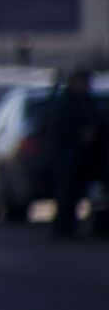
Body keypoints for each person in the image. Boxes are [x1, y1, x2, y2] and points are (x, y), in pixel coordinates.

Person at [45, 69, 102, 238]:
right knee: (66, 194)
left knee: (79, 194)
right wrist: (79, 134)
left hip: (85, 157)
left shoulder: (86, 100)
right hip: (67, 156)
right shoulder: (64, 102)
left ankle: (71, 227)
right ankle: (63, 228)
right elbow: (58, 128)